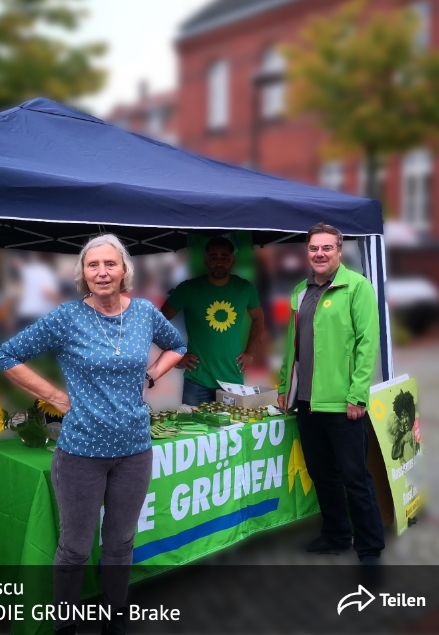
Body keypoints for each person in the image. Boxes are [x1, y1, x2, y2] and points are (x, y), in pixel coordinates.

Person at [0, 234, 185, 635]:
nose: (102, 272)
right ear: (82, 273)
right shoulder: (67, 318)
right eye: (93, 265)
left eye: (110, 264)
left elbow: (177, 345)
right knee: (75, 548)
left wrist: (151, 374)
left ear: (124, 270)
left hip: (134, 450)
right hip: (81, 452)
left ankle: (114, 620)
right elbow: (6, 355)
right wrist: (53, 395)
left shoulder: (145, 314)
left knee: (120, 544)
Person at [277, 222, 385, 562]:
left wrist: (358, 395)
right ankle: (337, 534)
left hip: (342, 404)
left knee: (355, 478)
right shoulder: (299, 291)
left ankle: (369, 546)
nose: (319, 254)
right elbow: (291, 346)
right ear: (306, 253)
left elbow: (369, 344)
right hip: (307, 402)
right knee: (322, 474)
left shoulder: (357, 287)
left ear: (339, 251)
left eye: (327, 248)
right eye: (313, 248)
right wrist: (284, 388)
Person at [161, 236, 264, 405]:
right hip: (197, 380)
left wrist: (250, 353)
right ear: (206, 261)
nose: (219, 262)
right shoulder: (188, 289)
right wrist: (176, 356)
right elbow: (159, 322)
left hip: (232, 380)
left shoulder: (245, 288)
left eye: (225, 257)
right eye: (214, 257)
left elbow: (259, 318)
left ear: (233, 261)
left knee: (231, 430)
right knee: (194, 430)